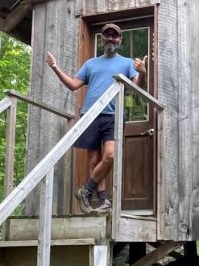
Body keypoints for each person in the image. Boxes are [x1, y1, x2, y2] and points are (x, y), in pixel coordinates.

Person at [46, 22, 147, 214]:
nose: (111, 38)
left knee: (110, 155)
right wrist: (55, 68)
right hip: (90, 115)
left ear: (120, 39)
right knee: (93, 160)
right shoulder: (90, 64)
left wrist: (142, 72)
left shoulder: (127, 63)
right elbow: (74, 85)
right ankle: (103, 201)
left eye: (114, 36)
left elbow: (137, 88)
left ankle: (86, 190)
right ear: (102, 39)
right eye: (107, 35)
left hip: (113, 115)